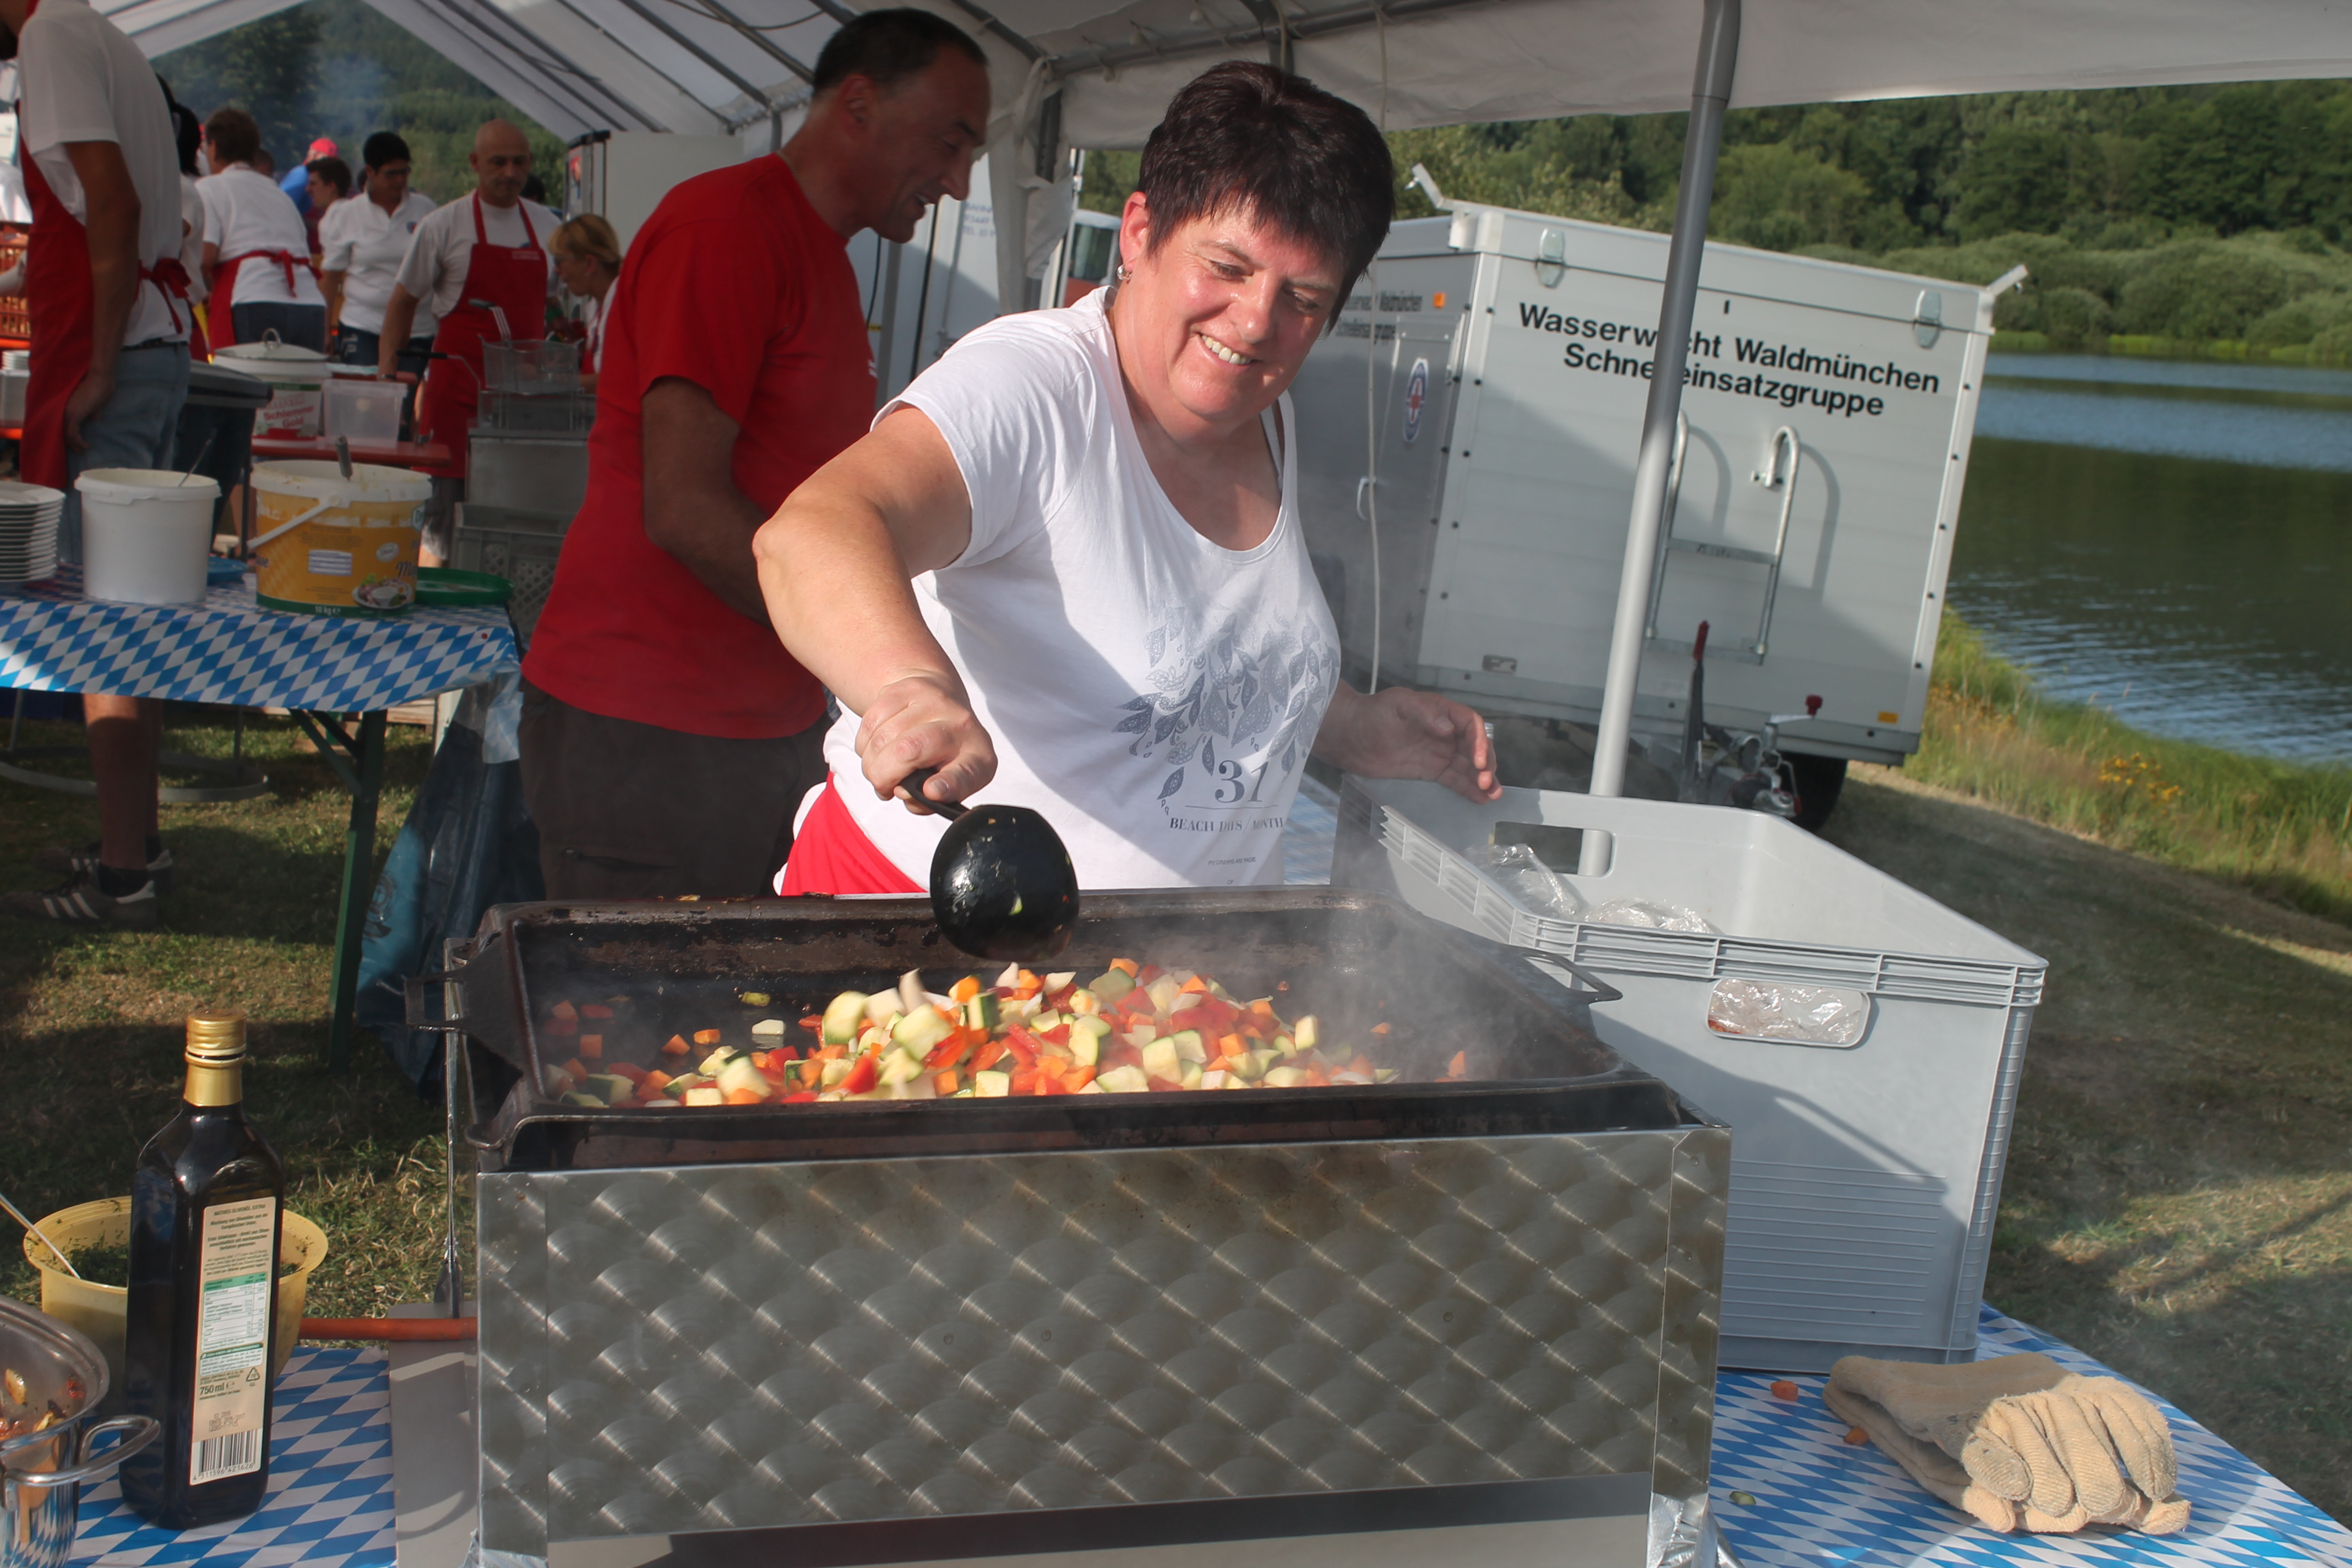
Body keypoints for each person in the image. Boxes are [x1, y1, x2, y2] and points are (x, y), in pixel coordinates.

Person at [759, 62, 1499, 896]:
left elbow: (1198, 669)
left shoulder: (1266, 414)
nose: (1255, 322)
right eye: (1227, 267)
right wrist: (908, 686)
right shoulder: (1034, 387)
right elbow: (815, 530)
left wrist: (1354, 725)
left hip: (1179, 959)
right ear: (1140, 233)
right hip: (924, 925)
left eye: (1302, 298)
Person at [517, 9, 990, 899]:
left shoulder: (826, 261)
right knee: (637, 991)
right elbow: (683, 505)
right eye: (950, 142)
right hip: (651, 727)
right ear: (858, 104)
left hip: (754, 725)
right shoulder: (726, 226)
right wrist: (865, 648)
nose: (958, 182)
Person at [0, 0, 194, 929]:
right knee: (133, 617)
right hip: (153, 347)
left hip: (115, 358)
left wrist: (101, 366)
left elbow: (112, 204)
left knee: (101, 627)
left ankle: (124, 876)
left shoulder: (50, 36)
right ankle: (136, 841)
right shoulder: (107, 37)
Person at [377, 119, 558, 563]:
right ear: (475, 163)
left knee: (514, 516)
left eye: (519, 162)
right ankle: (433, 593)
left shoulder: (548, 226)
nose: (510, 173)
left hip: (522, 400)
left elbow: (556, 302)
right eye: (498, 162)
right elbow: (402, 302)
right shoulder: (443, 225)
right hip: (456, 392)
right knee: (440, 517)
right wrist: (387, 377)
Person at [197, 107, 326, 352]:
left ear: (213, 147)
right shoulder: (278, 194)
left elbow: (204, 258)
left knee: (243, 378)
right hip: (309, 304)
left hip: (253, 299)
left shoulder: (210, 187)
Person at [320, 131, 435, 375]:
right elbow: (330, 278)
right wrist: (324, 329)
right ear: (370, 172)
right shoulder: (348, 214)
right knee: (366, 395)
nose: (399, 180)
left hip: (417, 328)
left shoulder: (425, 209)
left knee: (405, 394)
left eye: (405, 172)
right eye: (391, 174)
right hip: (363, 324)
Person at [547, 213, 620, 375]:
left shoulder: (623, 306)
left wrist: (547, 378)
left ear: (589, 264)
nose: (556, 270)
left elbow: (616, 378)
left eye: (559, 261)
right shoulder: (596, 306)